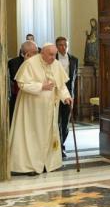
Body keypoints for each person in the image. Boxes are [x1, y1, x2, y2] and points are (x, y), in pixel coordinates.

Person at [9, 43, 73, 175]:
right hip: (31, 110)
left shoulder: (56, 64)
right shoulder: (30, 64)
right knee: (32, 135)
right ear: (42, 53)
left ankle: (48, 164)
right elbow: (22, 84)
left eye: (54, 55)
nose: (53, 58)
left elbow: (60, 85)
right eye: (50, 54)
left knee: (49, 135)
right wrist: (41, 86)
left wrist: (66, 97)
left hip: (49, 109)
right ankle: (30, 166)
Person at [55, 37, 78, 158]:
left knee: (65, 122)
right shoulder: (53, 59)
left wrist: (73, 96)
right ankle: (57, 147)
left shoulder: (74, 60)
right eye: (60, 45)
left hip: (69, 95)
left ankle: (62, 145)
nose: (63, 47)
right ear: (56, 46)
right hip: (56, 94)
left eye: (65, 45)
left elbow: (74, 80)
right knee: (56, 122)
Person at [8, 41, 38, 124]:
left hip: (35, 98)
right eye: (35, 52)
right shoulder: (13, 62)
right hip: (19, 97)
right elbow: (17, 79)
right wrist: (26, 63)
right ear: (28, 53)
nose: (37, 55)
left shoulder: (38, 62)